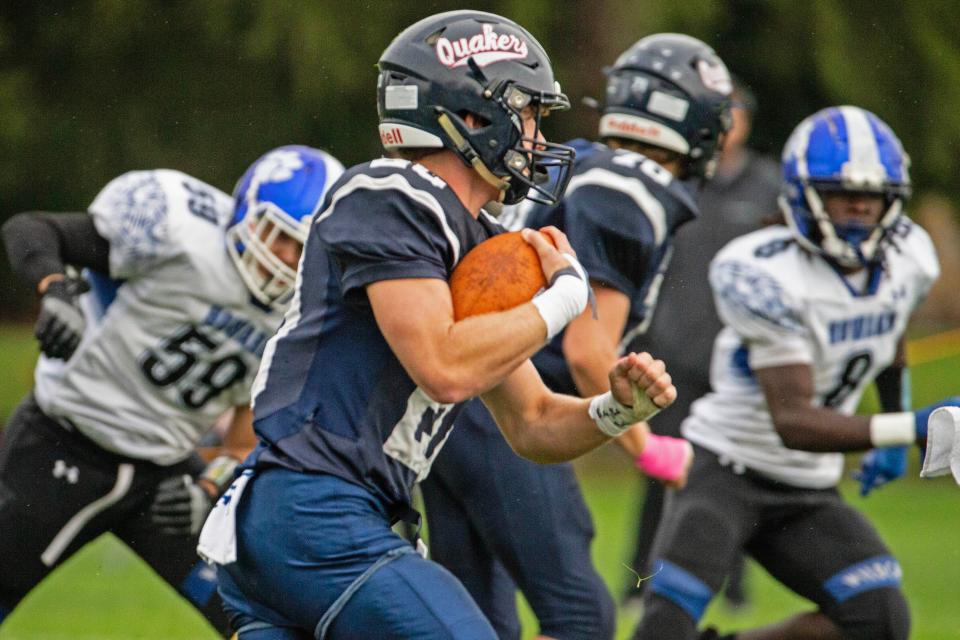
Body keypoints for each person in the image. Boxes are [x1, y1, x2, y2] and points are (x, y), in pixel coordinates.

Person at [198, 11, 677, 640]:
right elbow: (445, 367)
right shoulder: (392, 193)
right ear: (474, 118)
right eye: (529, 115)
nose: (537, 138)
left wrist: (614, 410)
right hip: (313, 511)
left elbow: (531, 423)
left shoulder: (475, 243)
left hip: (334, 518)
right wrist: (562, 299)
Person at [420, 33, 732, 640]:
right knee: (581, 617)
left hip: (454, 409)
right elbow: (590, 351)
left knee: (477, 621)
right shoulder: (628, 190)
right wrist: (647, 448)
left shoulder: (586, 162)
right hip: (508, 411)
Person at [632, 106, 960, 640]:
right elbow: (793, 420)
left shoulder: (909, 259)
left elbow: (889, 330)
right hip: (726, 468)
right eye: (841, 195)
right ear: (803, 196)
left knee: (878, 617)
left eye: (871, 197)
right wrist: (913, 427)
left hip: (806, 486)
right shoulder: (761, 271)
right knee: (664, 629)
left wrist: (896, 423)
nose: (858, 209)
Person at [0, 144, 343, 635]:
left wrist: (208, 487)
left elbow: (245, 437)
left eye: (302, 248)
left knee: (262, 615)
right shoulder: (178, 229)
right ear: (244, 211)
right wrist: (54, 291)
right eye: (276, 236)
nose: (283, 260)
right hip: (64, 439)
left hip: (166, 476)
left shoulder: (304, 311)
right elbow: (33, 230)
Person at [623, 78, 780, 610]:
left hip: (740, 360)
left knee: (735, 472)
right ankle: (639, 578)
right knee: (661, 469)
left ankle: (732, 586)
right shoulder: (680, 180)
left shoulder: (767, 186)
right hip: (675, 353)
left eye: (734, 112)